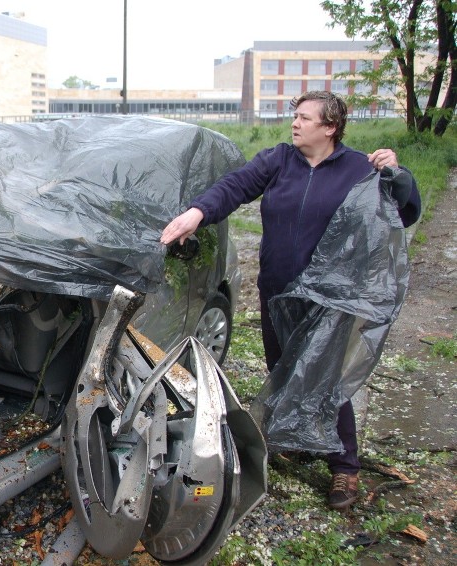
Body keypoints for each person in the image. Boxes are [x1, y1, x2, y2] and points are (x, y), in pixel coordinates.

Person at [160, 91, 421, 510]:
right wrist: (198, 212)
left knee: (325, 379)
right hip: (279, 290)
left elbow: (403, 214)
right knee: (282, 368)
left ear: (330, 127)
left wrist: (398, 174)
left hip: (330, 296)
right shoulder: (278, 160)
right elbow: (235, 186)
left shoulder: (358, 168)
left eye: (304, 118)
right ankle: (297, 437)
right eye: (294, 116)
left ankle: (344, 468)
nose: (295, 123)